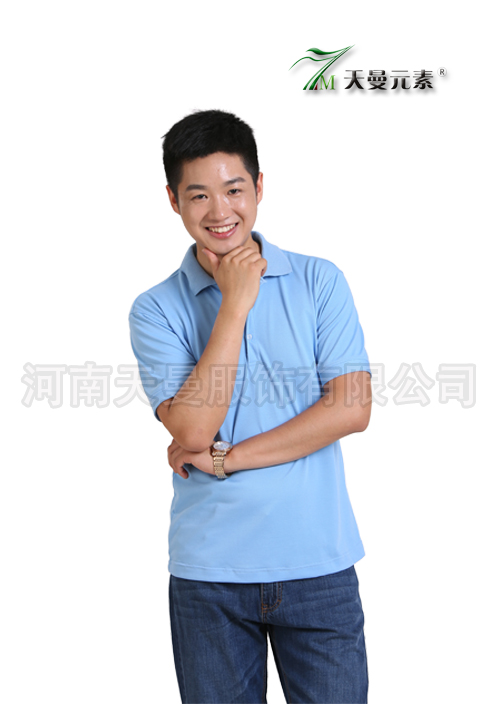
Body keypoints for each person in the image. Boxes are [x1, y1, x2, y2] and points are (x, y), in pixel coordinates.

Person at [128, 109, 373, 704]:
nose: (220, 211)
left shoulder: (319, 280)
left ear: (259, 187)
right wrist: (235, 302)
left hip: (318, 561)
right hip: (210, 573)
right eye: (198, 195)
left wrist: (227, 459)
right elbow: (192, 427)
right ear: (173, 201)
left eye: (234, 190)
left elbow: (351, 409)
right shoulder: (155, 309)